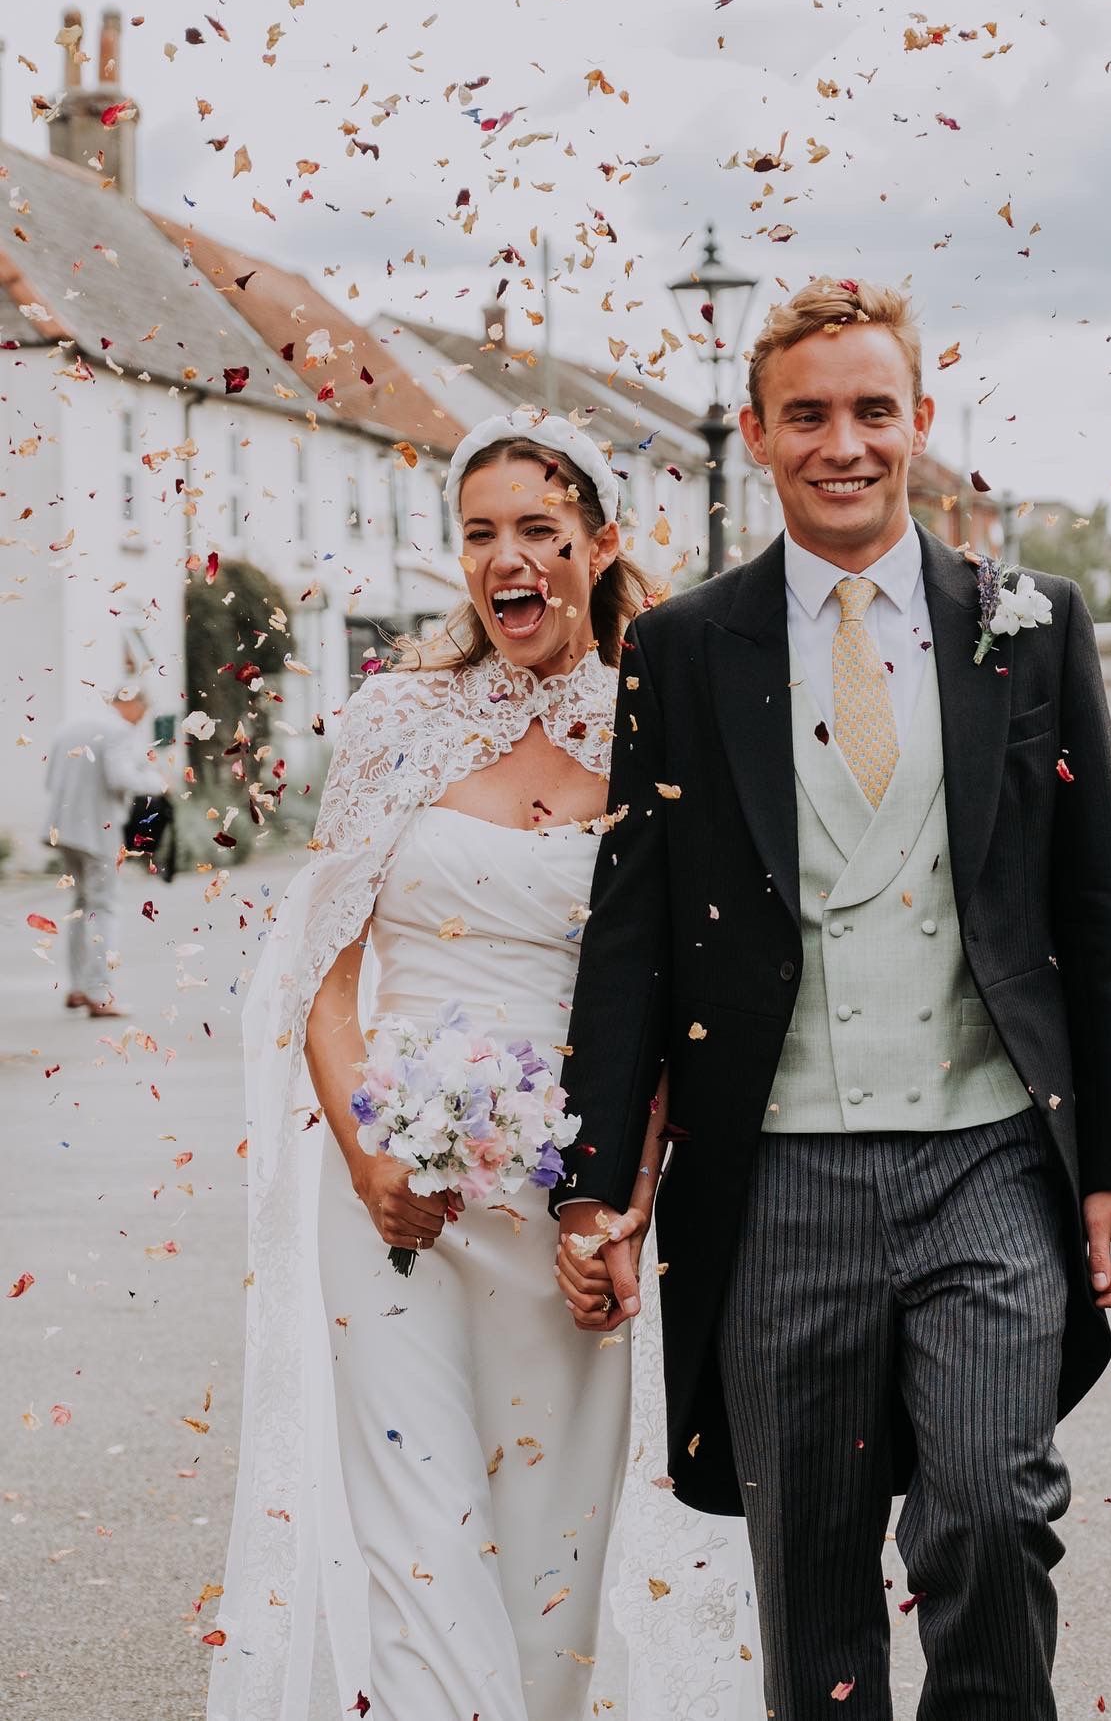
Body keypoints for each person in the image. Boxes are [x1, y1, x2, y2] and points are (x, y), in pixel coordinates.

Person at [555, 278, 1111, 1721]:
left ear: (921, 424)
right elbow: (631, 930)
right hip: (779, 1173)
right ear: (761, 435)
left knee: (989, 1507)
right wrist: (596, 1181)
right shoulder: (687, 649)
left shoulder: (1032, 625)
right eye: (811, 414)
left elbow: (1098, 907)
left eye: (873, 410)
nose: (847, 441)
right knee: (814, 1570)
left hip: (989, 1157)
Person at [207, 409, 761, 1721]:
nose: (506, 559)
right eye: (478, 535)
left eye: (537, 531)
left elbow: (679, 999)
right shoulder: (398, 720)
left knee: (549, 1587)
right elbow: (323, 982)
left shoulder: (656, 730)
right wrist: (370, 1155)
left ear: (602, 541)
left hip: (569, 1204)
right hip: (395, 1198)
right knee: (416, 1556)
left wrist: (618, 1201)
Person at [43, 685, 166, 1018]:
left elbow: (51, 778)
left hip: (63, 829)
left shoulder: (69, 725)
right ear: (129, 701)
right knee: (104, 906)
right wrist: (158, 783)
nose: (141, 719)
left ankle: (78, 987)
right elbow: (119, 777)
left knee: (82, 905)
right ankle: (98, 992)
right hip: (97, 830)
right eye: (143, 709)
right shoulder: (117, 729)